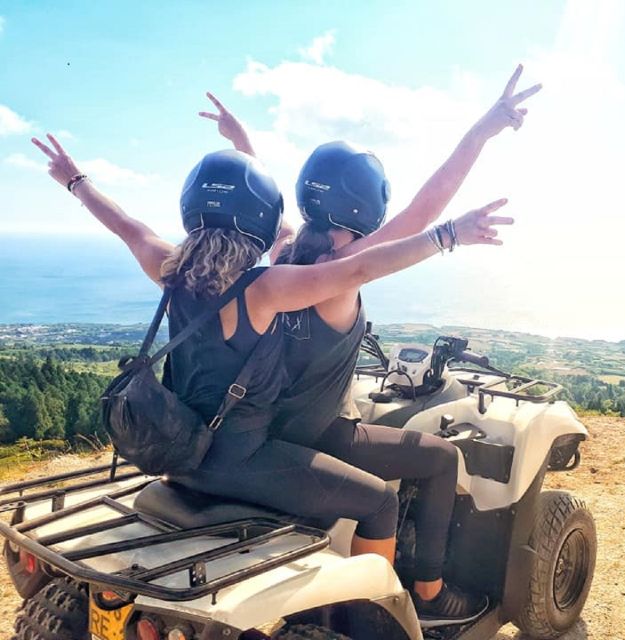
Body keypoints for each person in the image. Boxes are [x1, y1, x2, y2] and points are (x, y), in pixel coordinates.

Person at [30, 136, 512, 626]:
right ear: (260, 220)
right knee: (381, 500)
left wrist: (75, 180)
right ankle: (373, 620)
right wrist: (448, 234)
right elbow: (362, 265)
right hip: (241, 460)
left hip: (179, 452)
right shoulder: (263, 289)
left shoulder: (167, 269)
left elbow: (126, 226)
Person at [202, 65, 540, 626]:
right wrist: (481, 132)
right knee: (441, 458)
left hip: (260, 431)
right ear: (367, 206)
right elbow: (422, 215)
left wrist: (242, 144)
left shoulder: (284, 257)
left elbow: (281, 206)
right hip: (321, 435)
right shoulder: (341, 270)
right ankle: (426, 595)